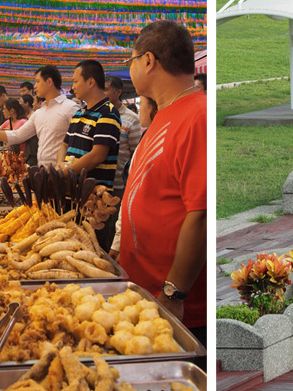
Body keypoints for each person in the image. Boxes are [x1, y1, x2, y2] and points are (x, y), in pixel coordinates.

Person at [119, 20, 206, 345]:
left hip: (175, 307)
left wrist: (174, 290)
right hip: (144, 292)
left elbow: (200, 213)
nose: (131, 69)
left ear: (148, 60)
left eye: (131, 60)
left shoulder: (196, 116)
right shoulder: (166, 114)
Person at [0, 65, 76, 166]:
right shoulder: (39, 113)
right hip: (42, 171)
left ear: (49, 82)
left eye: (37, 81)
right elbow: (17, 136)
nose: (35, 86)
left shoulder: (70, 108)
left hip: (62, 173)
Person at [56, 60, 121, 193]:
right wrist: (60, 164)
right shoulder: (79, 114)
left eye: (75, 81)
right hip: (72, 191)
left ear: (91, 82)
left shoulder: (108, 113)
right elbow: (64, 145)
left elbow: (97, 156)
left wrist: (67, 171)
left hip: (93, 196)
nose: (72, 87)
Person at [103, 75, 141, 250]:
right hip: (100, 183)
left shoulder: (131, 119)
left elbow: (136, 154)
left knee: (114, 226)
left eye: (105, 89)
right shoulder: (98, 115)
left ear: (118, 92)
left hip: (118, 183)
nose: (102, 93)